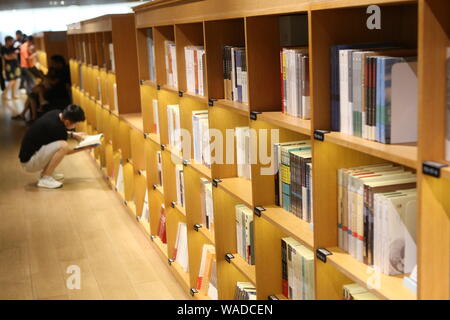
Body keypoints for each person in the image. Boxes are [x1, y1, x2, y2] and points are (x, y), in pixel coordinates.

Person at [19, 104, 94, 189]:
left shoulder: (56, 113)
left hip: (29, 156)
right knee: (63, 146)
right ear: (68, 122)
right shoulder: (57, 129)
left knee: (60, 145)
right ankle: (45, 178)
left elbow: (53, 132)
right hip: (30, 163)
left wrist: (74, 134)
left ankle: (47, 172)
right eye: (76, 123)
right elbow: (66, 151)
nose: (75, 126)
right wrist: (85, 147)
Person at [12, 55, 70, 123]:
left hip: (57, 91)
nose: (52, 64)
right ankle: (31, 115)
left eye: (53, 63)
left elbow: (54, 82)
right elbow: (48, 78)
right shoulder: (52, 69)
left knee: (33, 93)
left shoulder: (64, 71)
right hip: (48, 88)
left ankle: (30, 115)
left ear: (59, 63)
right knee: (32, 94)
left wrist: (42, 76)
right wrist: (42, 75)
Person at [1, 36, 21, 100]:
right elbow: (6, 57)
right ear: (7, 41)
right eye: (11, 41)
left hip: (15, 66)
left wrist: (12, 56)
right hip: (9, 67)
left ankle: (13, 94)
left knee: (16, 80)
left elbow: (16, 55)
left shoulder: (12, 47)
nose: (12, 42)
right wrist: (12, 56)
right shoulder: (3, 48)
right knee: (11, 80)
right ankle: (5, 93)